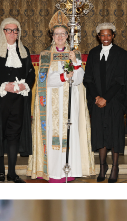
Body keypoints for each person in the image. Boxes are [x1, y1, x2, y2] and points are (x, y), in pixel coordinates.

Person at [30, 23, 90, 183]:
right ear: (52, 36)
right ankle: (54, 172)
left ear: (67, 36)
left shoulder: (74, 54)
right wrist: (63, 77)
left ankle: (69, 171)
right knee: (53, 136)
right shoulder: (46, 55)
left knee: (69, 135)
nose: (60, 37)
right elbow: (44, 80)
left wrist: (75, 65)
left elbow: (79, 79)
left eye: (63, 33)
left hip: (70, 102)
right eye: (56, 34)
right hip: (52, 105)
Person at [0, 17, 35, 185]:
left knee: (14, 135)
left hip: (19, 100)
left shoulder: (24, 50)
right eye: (9, 30)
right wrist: (4, 85)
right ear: (3, 32)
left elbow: (31, 72)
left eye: (15, 30)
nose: (13, 33)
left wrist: (25, 84)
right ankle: (1, 171)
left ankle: (12, 172)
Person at [84, 23, 127, 183]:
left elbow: (121, 80)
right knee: (100, 134)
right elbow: (88, 79)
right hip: (97, 102)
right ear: (98, 36)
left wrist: (106, 98)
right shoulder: (93, 53)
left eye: (108, 35)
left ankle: (115, 166)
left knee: (115, 134)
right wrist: (96, 97)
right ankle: (103, 166)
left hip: (115, 101)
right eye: (102, 35)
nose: (105, 38)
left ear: (113, 36)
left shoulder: (121, 54)